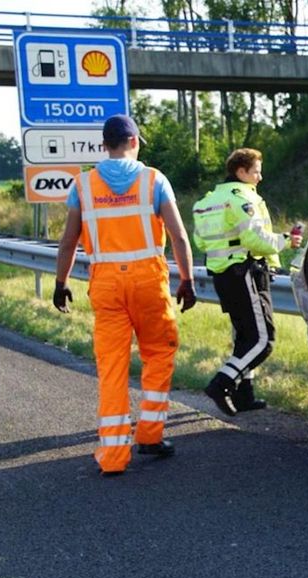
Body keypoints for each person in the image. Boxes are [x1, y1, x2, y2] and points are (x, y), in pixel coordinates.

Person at [53, 114, 196, 476]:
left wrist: (60, 282)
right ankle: (150, 435)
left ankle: (114, 456)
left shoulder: (82, 186)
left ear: (105, 145)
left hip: (106, 286)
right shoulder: (154, 180)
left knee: (112, 366)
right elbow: (178, 236)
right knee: (159, 352)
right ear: (134, 142)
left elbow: (69, 240)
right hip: (148, 282)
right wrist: (188, 279)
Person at [192, 148, 301, 415]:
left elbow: (200, 241)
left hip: (223, 274)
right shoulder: (240, 198)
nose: (260, 177)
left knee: (245, 337)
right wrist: (286, 240)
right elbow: (255, 239)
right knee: (263, 340)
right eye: (256, 171)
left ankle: (244, 397)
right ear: (241, 172)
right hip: (245, 273)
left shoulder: (208, 200)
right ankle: (222, 383)